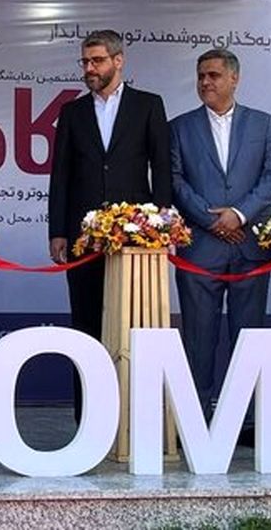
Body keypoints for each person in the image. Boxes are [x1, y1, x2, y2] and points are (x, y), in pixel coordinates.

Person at [47, 29, 171, 420]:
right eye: (85, 61)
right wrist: (58, 231)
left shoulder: (148, 105)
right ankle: (88, 417)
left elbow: (162, 170)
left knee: (134, 324)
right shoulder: (72, 112)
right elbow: (60, 174)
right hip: (83, 238)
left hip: (135, 239)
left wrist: (161, 225)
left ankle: (135, 414)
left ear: (119, 61)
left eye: (97, 60)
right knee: (86, 324)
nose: (89, 68)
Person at [169, 48, 271, 426]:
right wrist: (213, 220)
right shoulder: (179, 127)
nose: (205, 82)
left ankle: (247, 422)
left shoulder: (263, 124)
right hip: (200, 249)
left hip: (251, 247)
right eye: (201, 75)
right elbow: (174, 181)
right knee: (198, 338)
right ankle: (196, 419)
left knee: (249, 337)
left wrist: (238, 215)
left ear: (235, 78)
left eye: (214, 75)